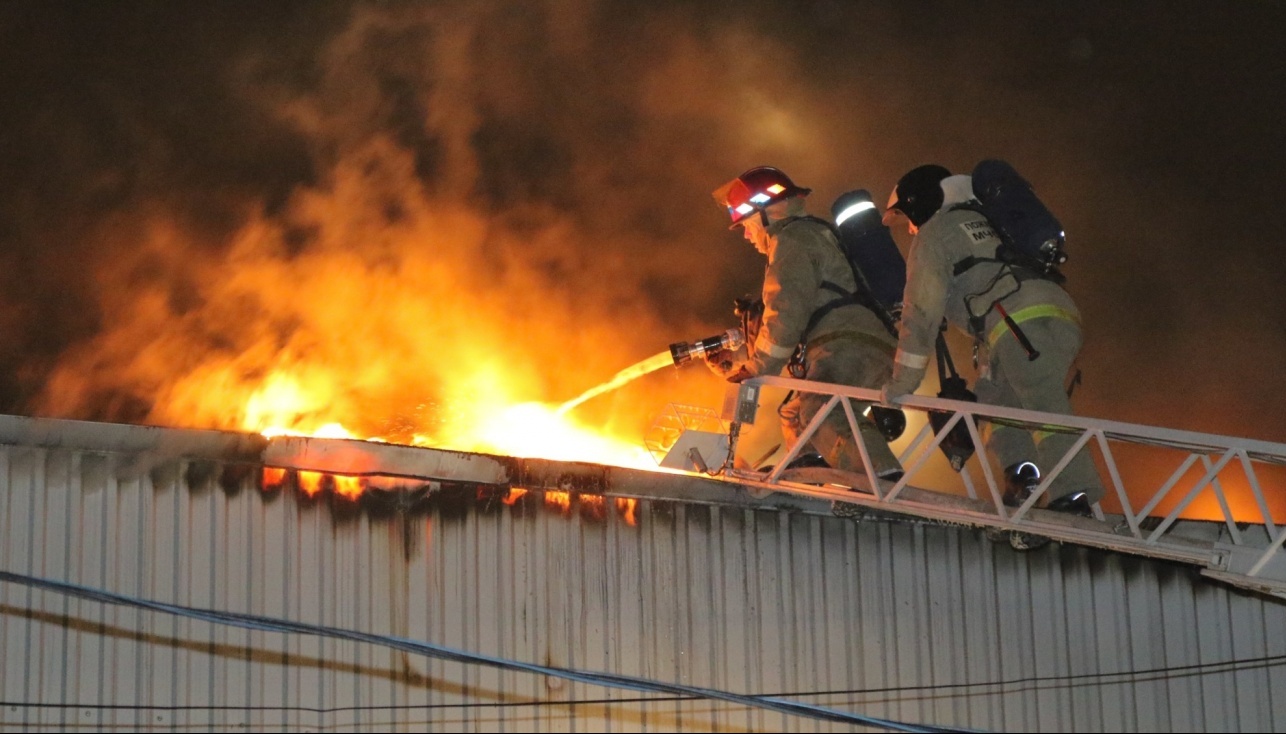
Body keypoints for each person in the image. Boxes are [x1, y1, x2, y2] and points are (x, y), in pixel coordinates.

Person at [878, 163, 1105, 517]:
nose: (909, 229)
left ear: (919, 204)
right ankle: (1021, 475)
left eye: (907, 218)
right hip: (1048, 312)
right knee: (993, 400)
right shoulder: (985, 216)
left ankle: (1074, 494)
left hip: (1019, 322)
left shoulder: (934, 233)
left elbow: (920, 311)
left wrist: (901, 384)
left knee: (1042, 401)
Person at [706, 166, 903, 483]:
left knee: (820, 410)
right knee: (795, 413)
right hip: (853, 342)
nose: (746, 235)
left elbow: (786, 310)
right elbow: (789, 325)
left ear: (766, 213)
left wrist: (758, 367)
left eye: (747, 225)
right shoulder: (807, 236)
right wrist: (741, 364)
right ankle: (808, 473)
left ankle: (884, 480)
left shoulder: (792, 240)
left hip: (850, 343)